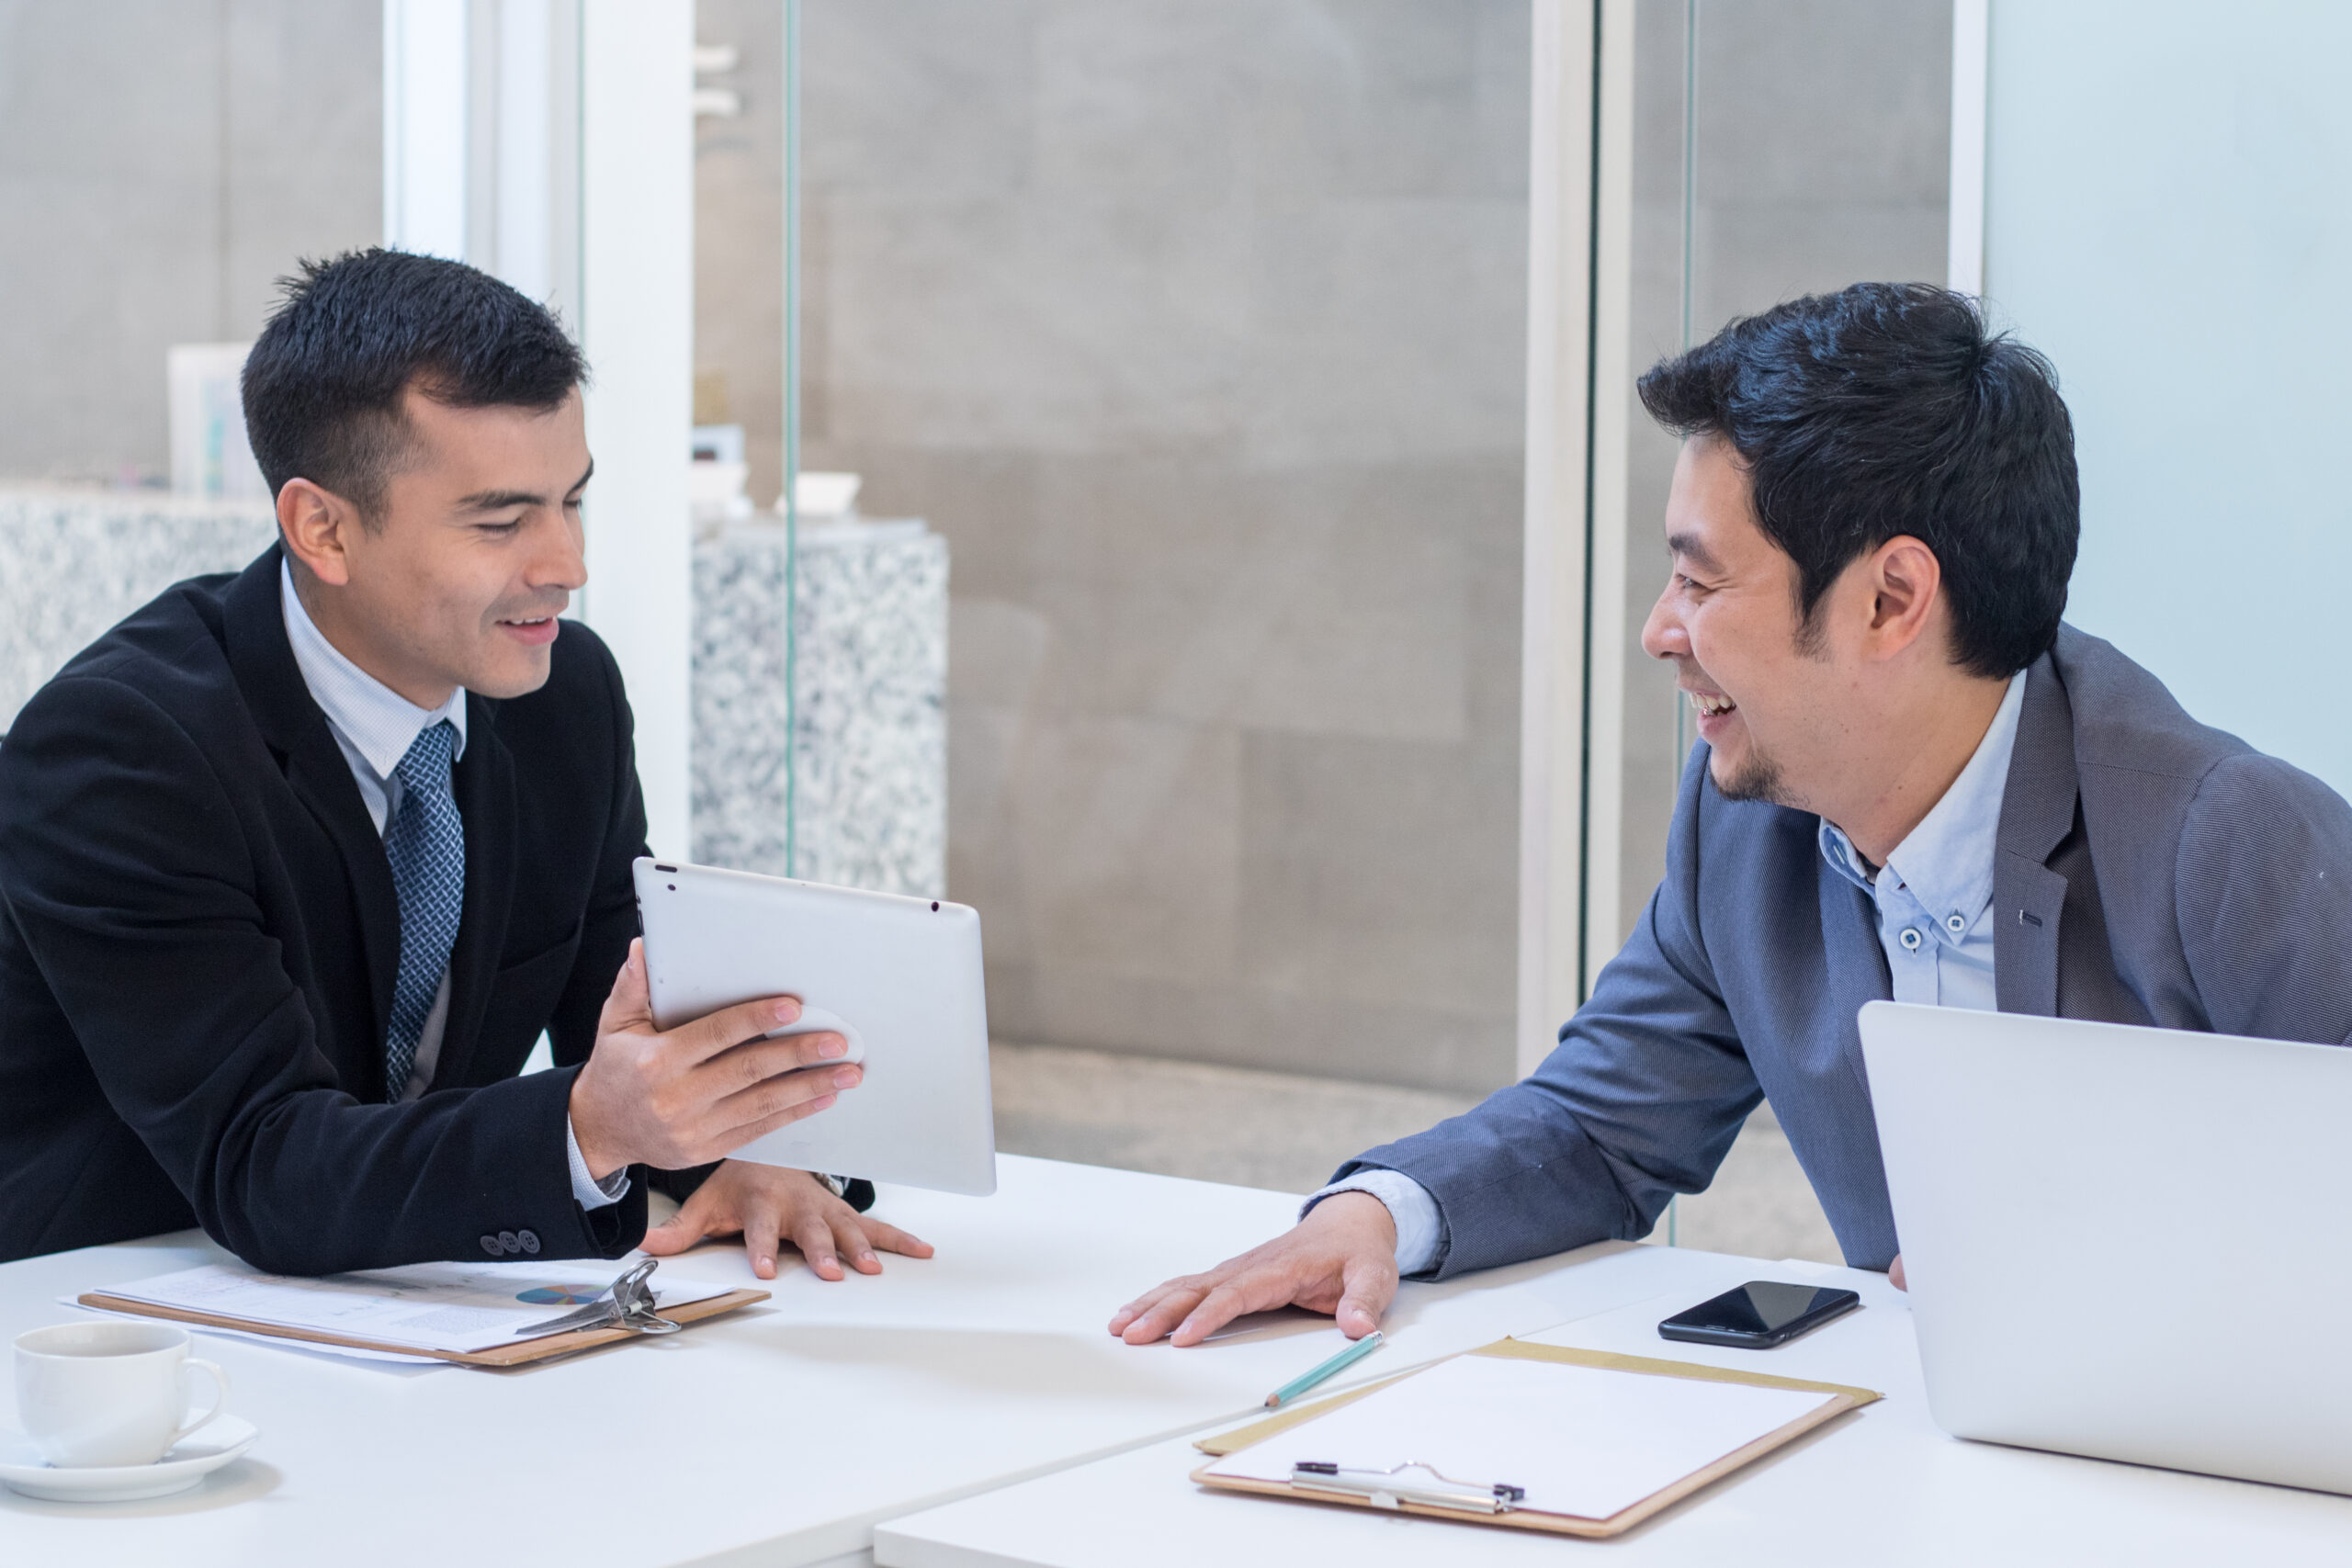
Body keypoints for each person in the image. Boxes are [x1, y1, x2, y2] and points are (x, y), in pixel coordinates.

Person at [1111, 281, 2352, 1348]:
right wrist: (1372, 1217)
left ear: (1890, 599)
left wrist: (2140, 1292)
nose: (1660, 628)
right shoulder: (1750, 821)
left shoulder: (2234, 848)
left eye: (1701, 579)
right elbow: (1598, 1125)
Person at [0, 249, 930, 1281]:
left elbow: (624, 1004)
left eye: (571, 502)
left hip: (404, 1304)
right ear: (323, 528)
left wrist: (735, 1150)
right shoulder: (120, 752)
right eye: (501, 522)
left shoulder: (559, 695)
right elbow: (259, 1164)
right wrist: (589, 1127)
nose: (566, 566)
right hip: (103, 1313)